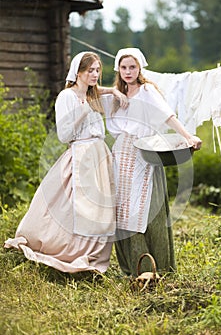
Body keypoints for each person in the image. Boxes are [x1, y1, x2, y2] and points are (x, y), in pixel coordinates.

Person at [4, 51, 127, 275]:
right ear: (78, 72)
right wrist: (83, 111)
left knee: (100, 208)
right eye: (90, 70)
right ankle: (67, 251)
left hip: (99, 154)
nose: (95, 74)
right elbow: (64, 135)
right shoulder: (66, 97)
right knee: (72, 207)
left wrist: (114, 91)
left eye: (98, 70)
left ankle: (94, 256)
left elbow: (99, 91)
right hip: (80, 154)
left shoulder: (93, 95)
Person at [102, 48, 202, 277]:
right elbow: (86, 90)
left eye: (132, 67)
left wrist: (187, 136)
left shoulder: (147, 90)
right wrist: (112, 91)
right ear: (118, 68)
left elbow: (168, 115)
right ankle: (132, 265)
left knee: (143, 207)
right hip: (120, 154)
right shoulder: (116, 94)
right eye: (124, 67)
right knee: (123, 209)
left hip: (143, 153)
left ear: (140, 68)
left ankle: (155, 265)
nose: (128, 72)